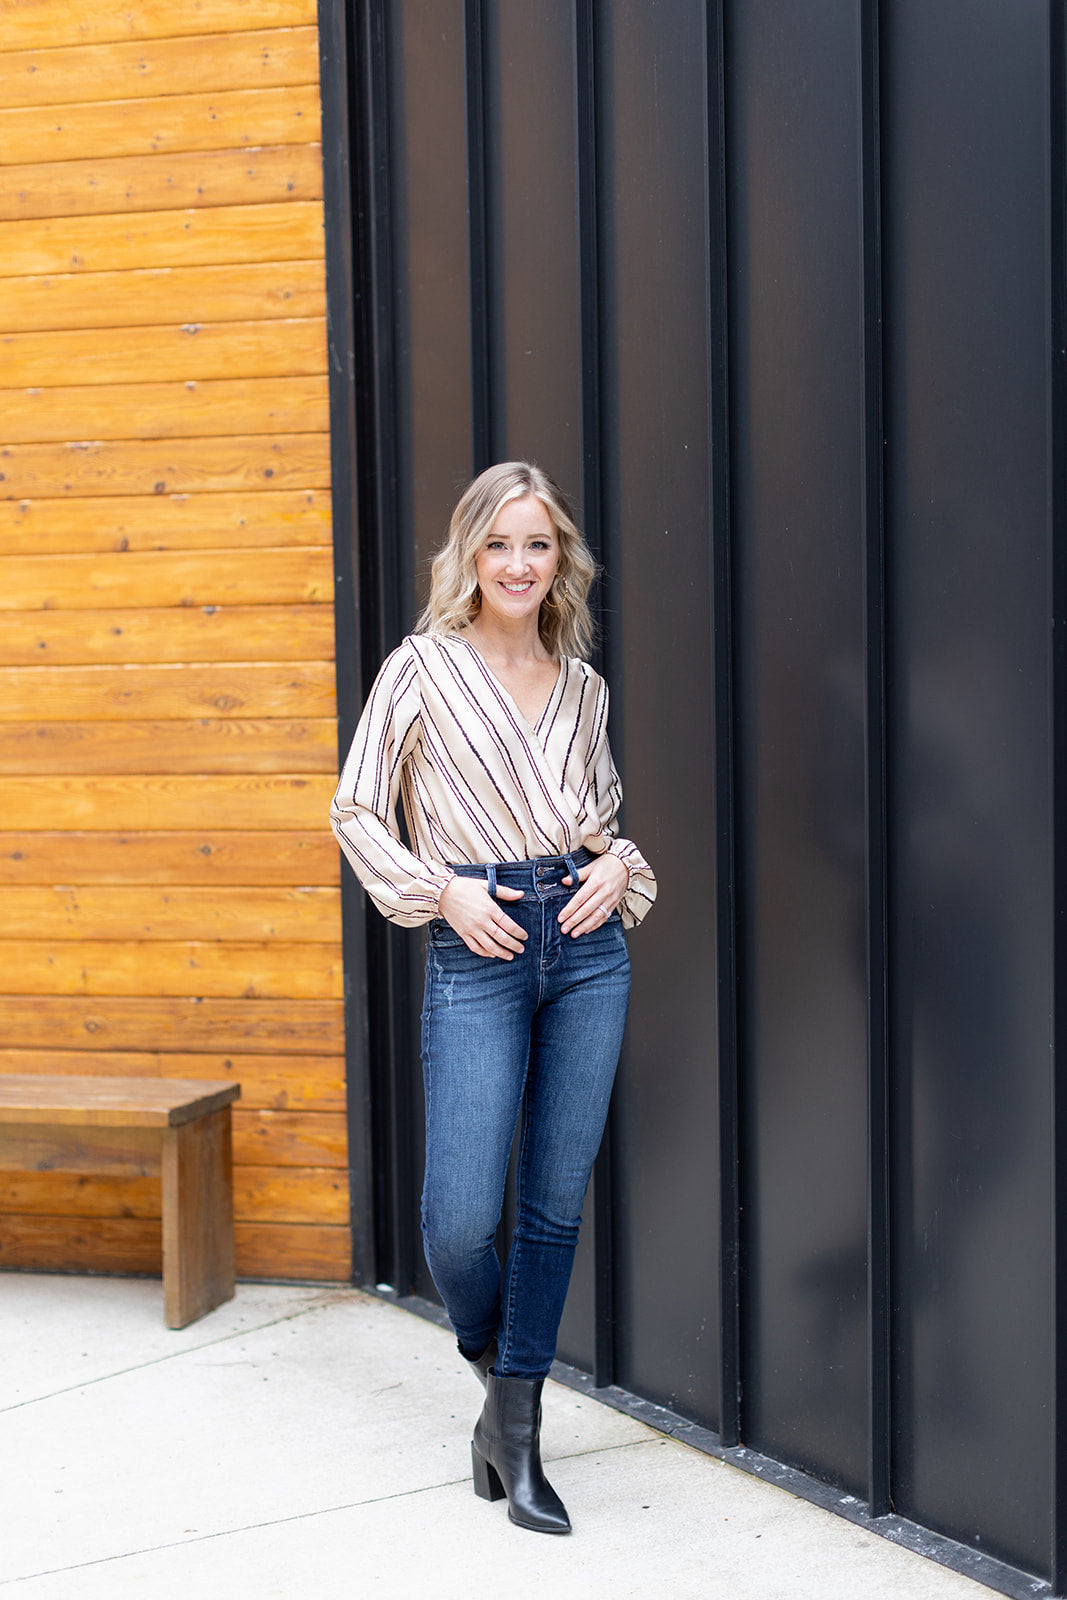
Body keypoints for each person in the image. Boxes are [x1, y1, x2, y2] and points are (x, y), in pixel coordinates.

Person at [330, 461, 656, 1534]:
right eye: (498, 544)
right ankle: (496, 1369)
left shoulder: (581, 686)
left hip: (586, 943)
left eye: (538, 544)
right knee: (463, 1216)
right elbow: (356, 808)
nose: (518, 564)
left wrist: (619, 866)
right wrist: (441, 895)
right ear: (466, 555)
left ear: (560, 559)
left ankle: (514, 1431)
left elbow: (600, 820)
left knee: (552, 1201)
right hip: (480, 943)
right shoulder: (420, 669)